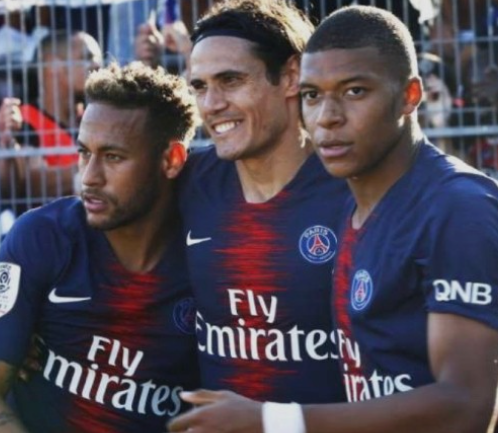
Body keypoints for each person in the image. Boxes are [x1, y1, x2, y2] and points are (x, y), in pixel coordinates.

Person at [168, 5, 498, 433]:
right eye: (313, 95)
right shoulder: (360, 200)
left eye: (355, 91)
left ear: (410, 95)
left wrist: (272, 420)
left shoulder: (456, 206)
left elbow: (468, 404)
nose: (328, 116)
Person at [0, 61, 200, 433]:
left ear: (171, 160)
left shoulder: (210, 257)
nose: (89, 177)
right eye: (84, 152)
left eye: (113, 157)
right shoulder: (42, 238)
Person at [177, 0, 349, 405]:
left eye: (230, 80)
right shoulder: (186, 182)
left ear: (291, 76)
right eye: (199, 86)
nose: (211, 104)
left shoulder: (354, 189)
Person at [0, 30, 102, 217]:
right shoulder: (22, 121)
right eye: (86, 58)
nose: (97, 65)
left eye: (98, 59)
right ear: (53, 65)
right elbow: (27, 184)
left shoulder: (97, 121)